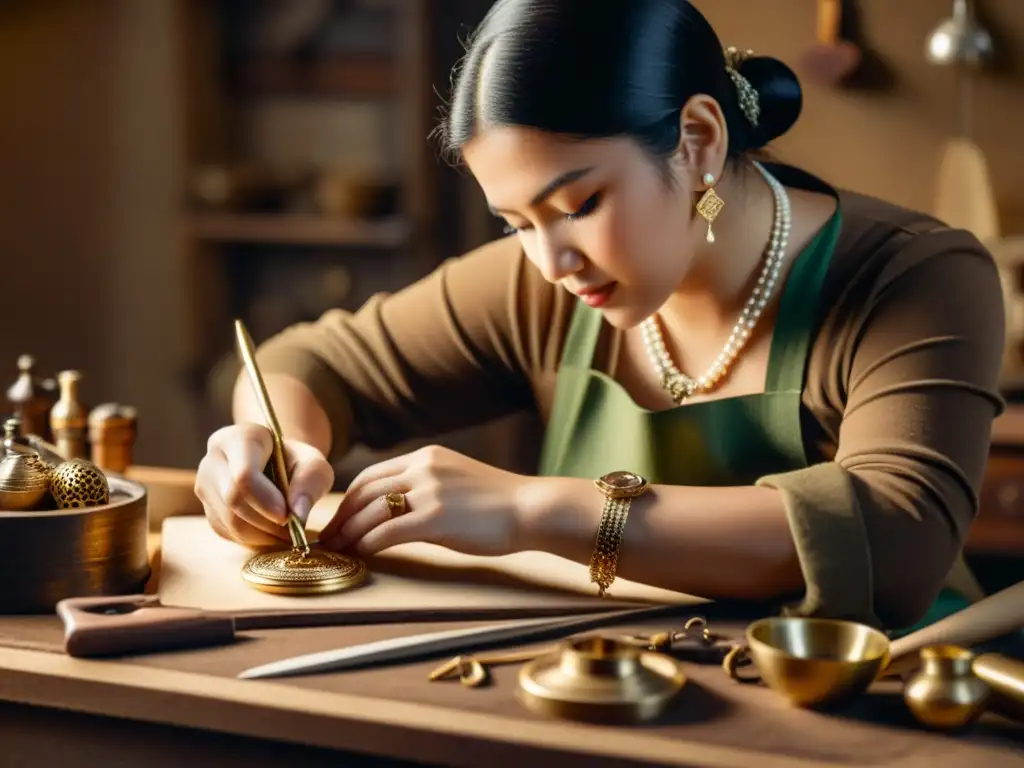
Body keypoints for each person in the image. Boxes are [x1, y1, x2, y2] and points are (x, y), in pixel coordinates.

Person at [194, 0, 1006, 631]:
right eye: (515, 224)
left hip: (886, 706)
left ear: (696, 139)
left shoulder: (916, 277)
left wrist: (535, 509)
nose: (550, 262)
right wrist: (275, 448)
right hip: (625, 695)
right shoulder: (543, 284)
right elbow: (310, 363)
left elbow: (895, 540)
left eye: (579, 203)